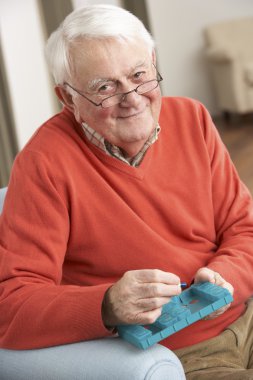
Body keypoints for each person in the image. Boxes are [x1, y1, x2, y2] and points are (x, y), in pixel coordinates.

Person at [0, 4, 253, 379]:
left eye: (139, 75)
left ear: (153, 63)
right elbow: (11, 304)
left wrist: (224, 275)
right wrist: (106, 304)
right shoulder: (43, 163)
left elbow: (244, 229)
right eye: (105, 87)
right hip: (180, 356)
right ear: (68, 99)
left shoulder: (193, 119)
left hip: (243, 313)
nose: (132, 97)